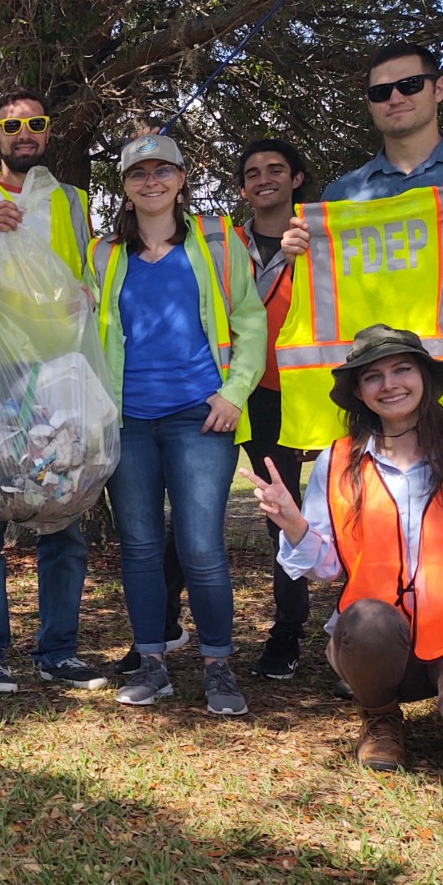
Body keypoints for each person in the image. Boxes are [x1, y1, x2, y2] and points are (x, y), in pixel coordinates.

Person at [244, 324, 443, 771]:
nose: (390, 384)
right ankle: (379, 718)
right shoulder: (338, 461)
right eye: (373, 377)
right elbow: (326, 566)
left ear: (426, 380)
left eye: (402, 370)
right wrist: (294, 523)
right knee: (367, 619)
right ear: (359, 392)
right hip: (376, 641)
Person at [86, 133, 265, 716]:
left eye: (164, 171)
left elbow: (250, 322)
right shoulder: (103, 253)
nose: (152, 181)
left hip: (200, 415)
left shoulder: (216, 241)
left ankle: (218, 665)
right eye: (139, 173)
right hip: (127, 420)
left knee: (200, 546)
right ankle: (152, 662)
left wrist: (235, 393)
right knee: (138, 546)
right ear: (125, 186)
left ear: (182, 179)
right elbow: (78, 329)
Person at [0, 87, 106, 694]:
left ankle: (58, 649)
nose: (25, 134)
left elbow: (89, 273)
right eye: (12, 126)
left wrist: (85, 294)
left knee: (63, 514)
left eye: (35, 124)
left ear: (47, 132)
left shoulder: (71, 200)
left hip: (61, 379)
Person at [153, 139, 314, 680]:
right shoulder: (220, 240)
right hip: (219, 394)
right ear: (241, 187)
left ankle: (287, 636)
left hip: (285, 394)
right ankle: (166, 624)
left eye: (276, 169)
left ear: (297, 178)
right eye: (251, 173)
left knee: (280, 517)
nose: (263, 179)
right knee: (191, 520)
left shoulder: (321, 236)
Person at [282, 43, 443, 420]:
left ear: (439, 88)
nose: (395, 97)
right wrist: (299, 260)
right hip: (381, 398)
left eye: (410, 85)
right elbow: (333, 298)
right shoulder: (342, 195)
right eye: (381, 92)